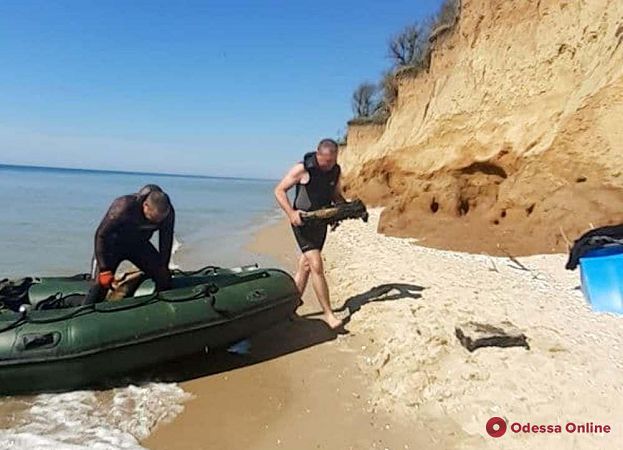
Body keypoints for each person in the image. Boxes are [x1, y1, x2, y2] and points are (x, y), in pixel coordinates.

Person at [274, 138, 345, 329]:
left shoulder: (336, 170)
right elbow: (279, 191)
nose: (329, 165)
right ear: (318, 154)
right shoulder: (303, 168)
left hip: (320, 221)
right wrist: (291, 213)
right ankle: (329, 315)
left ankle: (288, 310)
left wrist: (342, 210)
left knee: (305, 266)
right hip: (302, 222)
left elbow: (335, 195)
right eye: (326, 161)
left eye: (333, 161)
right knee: (316, 264)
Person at [83, 185, 175, 304]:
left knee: (163, 277)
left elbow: (166, 240)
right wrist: (104, 269)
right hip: (112, 246)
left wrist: (163, 266)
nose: (155, 222)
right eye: (152, 218)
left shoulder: (168, 214)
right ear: (145, 206)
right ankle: (83, 310)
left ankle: (157, 308)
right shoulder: (124, 206)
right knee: (100, 286)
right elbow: (101, 235)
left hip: (138, 245)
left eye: (159, 220)